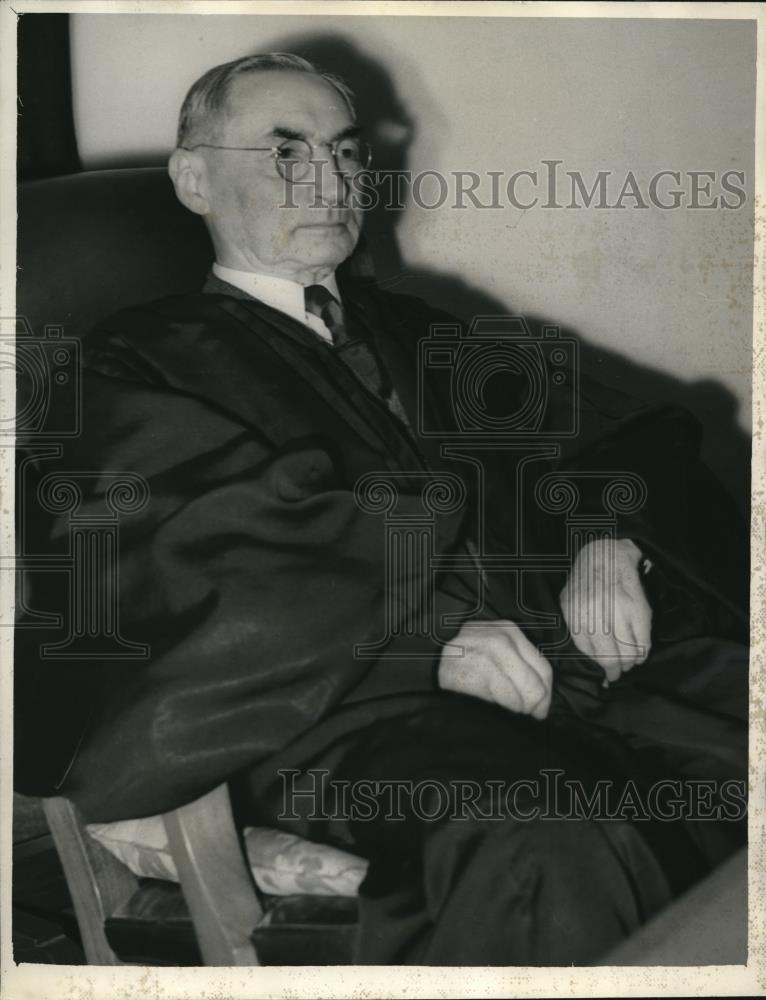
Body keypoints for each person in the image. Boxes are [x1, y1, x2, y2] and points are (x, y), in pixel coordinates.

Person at [15, 53, 748, 965]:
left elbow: (622, 433)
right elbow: (187, 563)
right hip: (335, 714)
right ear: (194, 179)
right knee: (541, 824)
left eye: (347, 154)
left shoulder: (428, 331)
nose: (329, 180)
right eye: (285, 154)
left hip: (575, 668)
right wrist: (433, 637)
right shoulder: (129, 364)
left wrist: (608, 535)